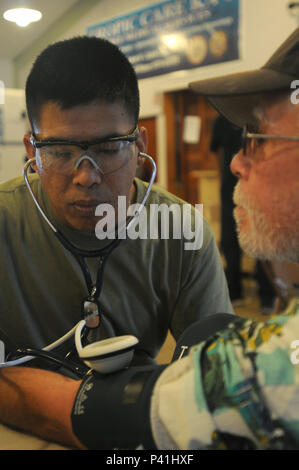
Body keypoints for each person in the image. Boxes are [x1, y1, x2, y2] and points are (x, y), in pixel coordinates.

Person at [0, 29, 298, 450]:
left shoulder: (181, 231)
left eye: (108, 148)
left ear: (139, 146)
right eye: (61, 152)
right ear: (33, 150)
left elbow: (210, 401)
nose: (86, 176)